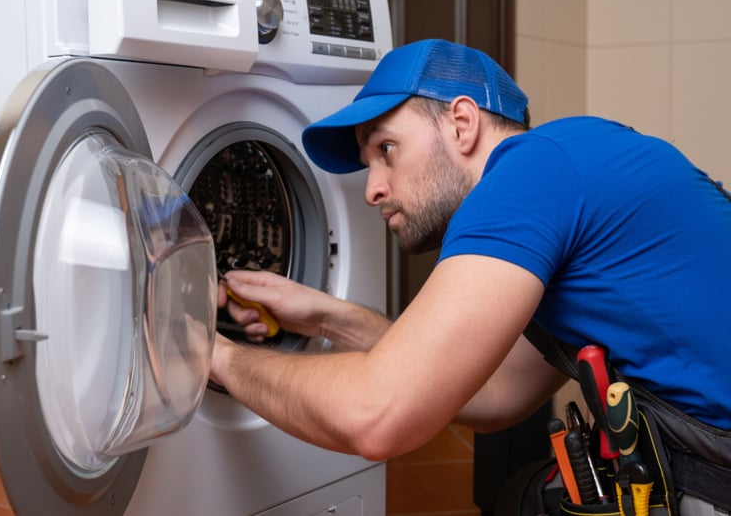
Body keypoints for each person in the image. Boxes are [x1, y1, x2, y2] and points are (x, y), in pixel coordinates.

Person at [209, 39, 731, 509]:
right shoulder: (572, 161)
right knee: (522, 499)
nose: (372, 189)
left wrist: (213, 355)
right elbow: (496, 391)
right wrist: (328, 317)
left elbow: (376, 416)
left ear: (461, 123)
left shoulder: (528, 173)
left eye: (386, 149)